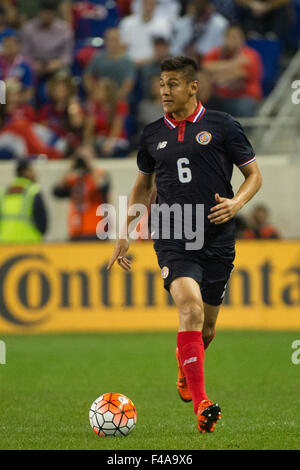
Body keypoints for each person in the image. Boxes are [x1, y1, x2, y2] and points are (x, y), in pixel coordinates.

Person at [107, 56, 262, 433]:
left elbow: (254, 175)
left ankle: (184, 366)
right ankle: (202, 404)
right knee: (189, 309)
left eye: (173, 84)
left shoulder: (222, 126)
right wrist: (124, 230)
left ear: (193, 87)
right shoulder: (151, 134)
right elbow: (144, 187)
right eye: (161, 84)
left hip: (217, 238)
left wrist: (236, 203)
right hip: (173, 235)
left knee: (205, 330)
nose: (164, 90)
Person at [202, 25, 263, 117]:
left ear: (242, 39)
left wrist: (215, 74)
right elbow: (206, 67)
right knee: (203, 97)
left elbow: (238, 74)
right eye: (229, 37)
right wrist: (234, 63)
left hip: (243, 97)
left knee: (244, 108)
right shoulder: (217, 52)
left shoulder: (251, 55)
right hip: (220, 96)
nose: (232, 40)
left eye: (235, 37)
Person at [53, 145, 111, 241]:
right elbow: (57, 192)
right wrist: (71, 168)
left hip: (95, 229)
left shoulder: (98, 175)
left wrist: (89, 167)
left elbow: (104, 187)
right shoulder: (73, 179)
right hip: (75, 229)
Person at [0, 159, 47, 242]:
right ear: (25, 172)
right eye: (32, 170)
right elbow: (42, 223)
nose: (35, 174)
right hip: (29, 243)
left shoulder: (3, 192)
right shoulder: (33, 191)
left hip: (5, 244)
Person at [84, 27, 136, 102]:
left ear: (120, 41)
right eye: (111, 40)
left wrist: (114, 99)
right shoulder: (98, 57)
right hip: (100, 96)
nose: (113, 43)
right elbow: (87, 76)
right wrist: (94, 92)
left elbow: (128, 85)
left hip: (119, 100)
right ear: (106, 41)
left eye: (116, 40)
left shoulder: (127, 61)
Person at [119, 0, 172, 65]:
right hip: (129, 63)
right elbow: (121, 46)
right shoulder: (127, 23)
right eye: (146, 3)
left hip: (153, 64)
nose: (148, 6)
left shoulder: (164, 25)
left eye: (151, 4)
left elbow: (163, 49)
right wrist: (130, 62)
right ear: (141, 4)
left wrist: (146, 61)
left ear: (156, 6)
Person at [0, 32, 35, 104]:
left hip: (18, 101)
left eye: (12, 45)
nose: (10, 48)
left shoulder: (25, 65)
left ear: (18, 46)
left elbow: (29, 91)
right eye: (7, 45)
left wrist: (14, 100)